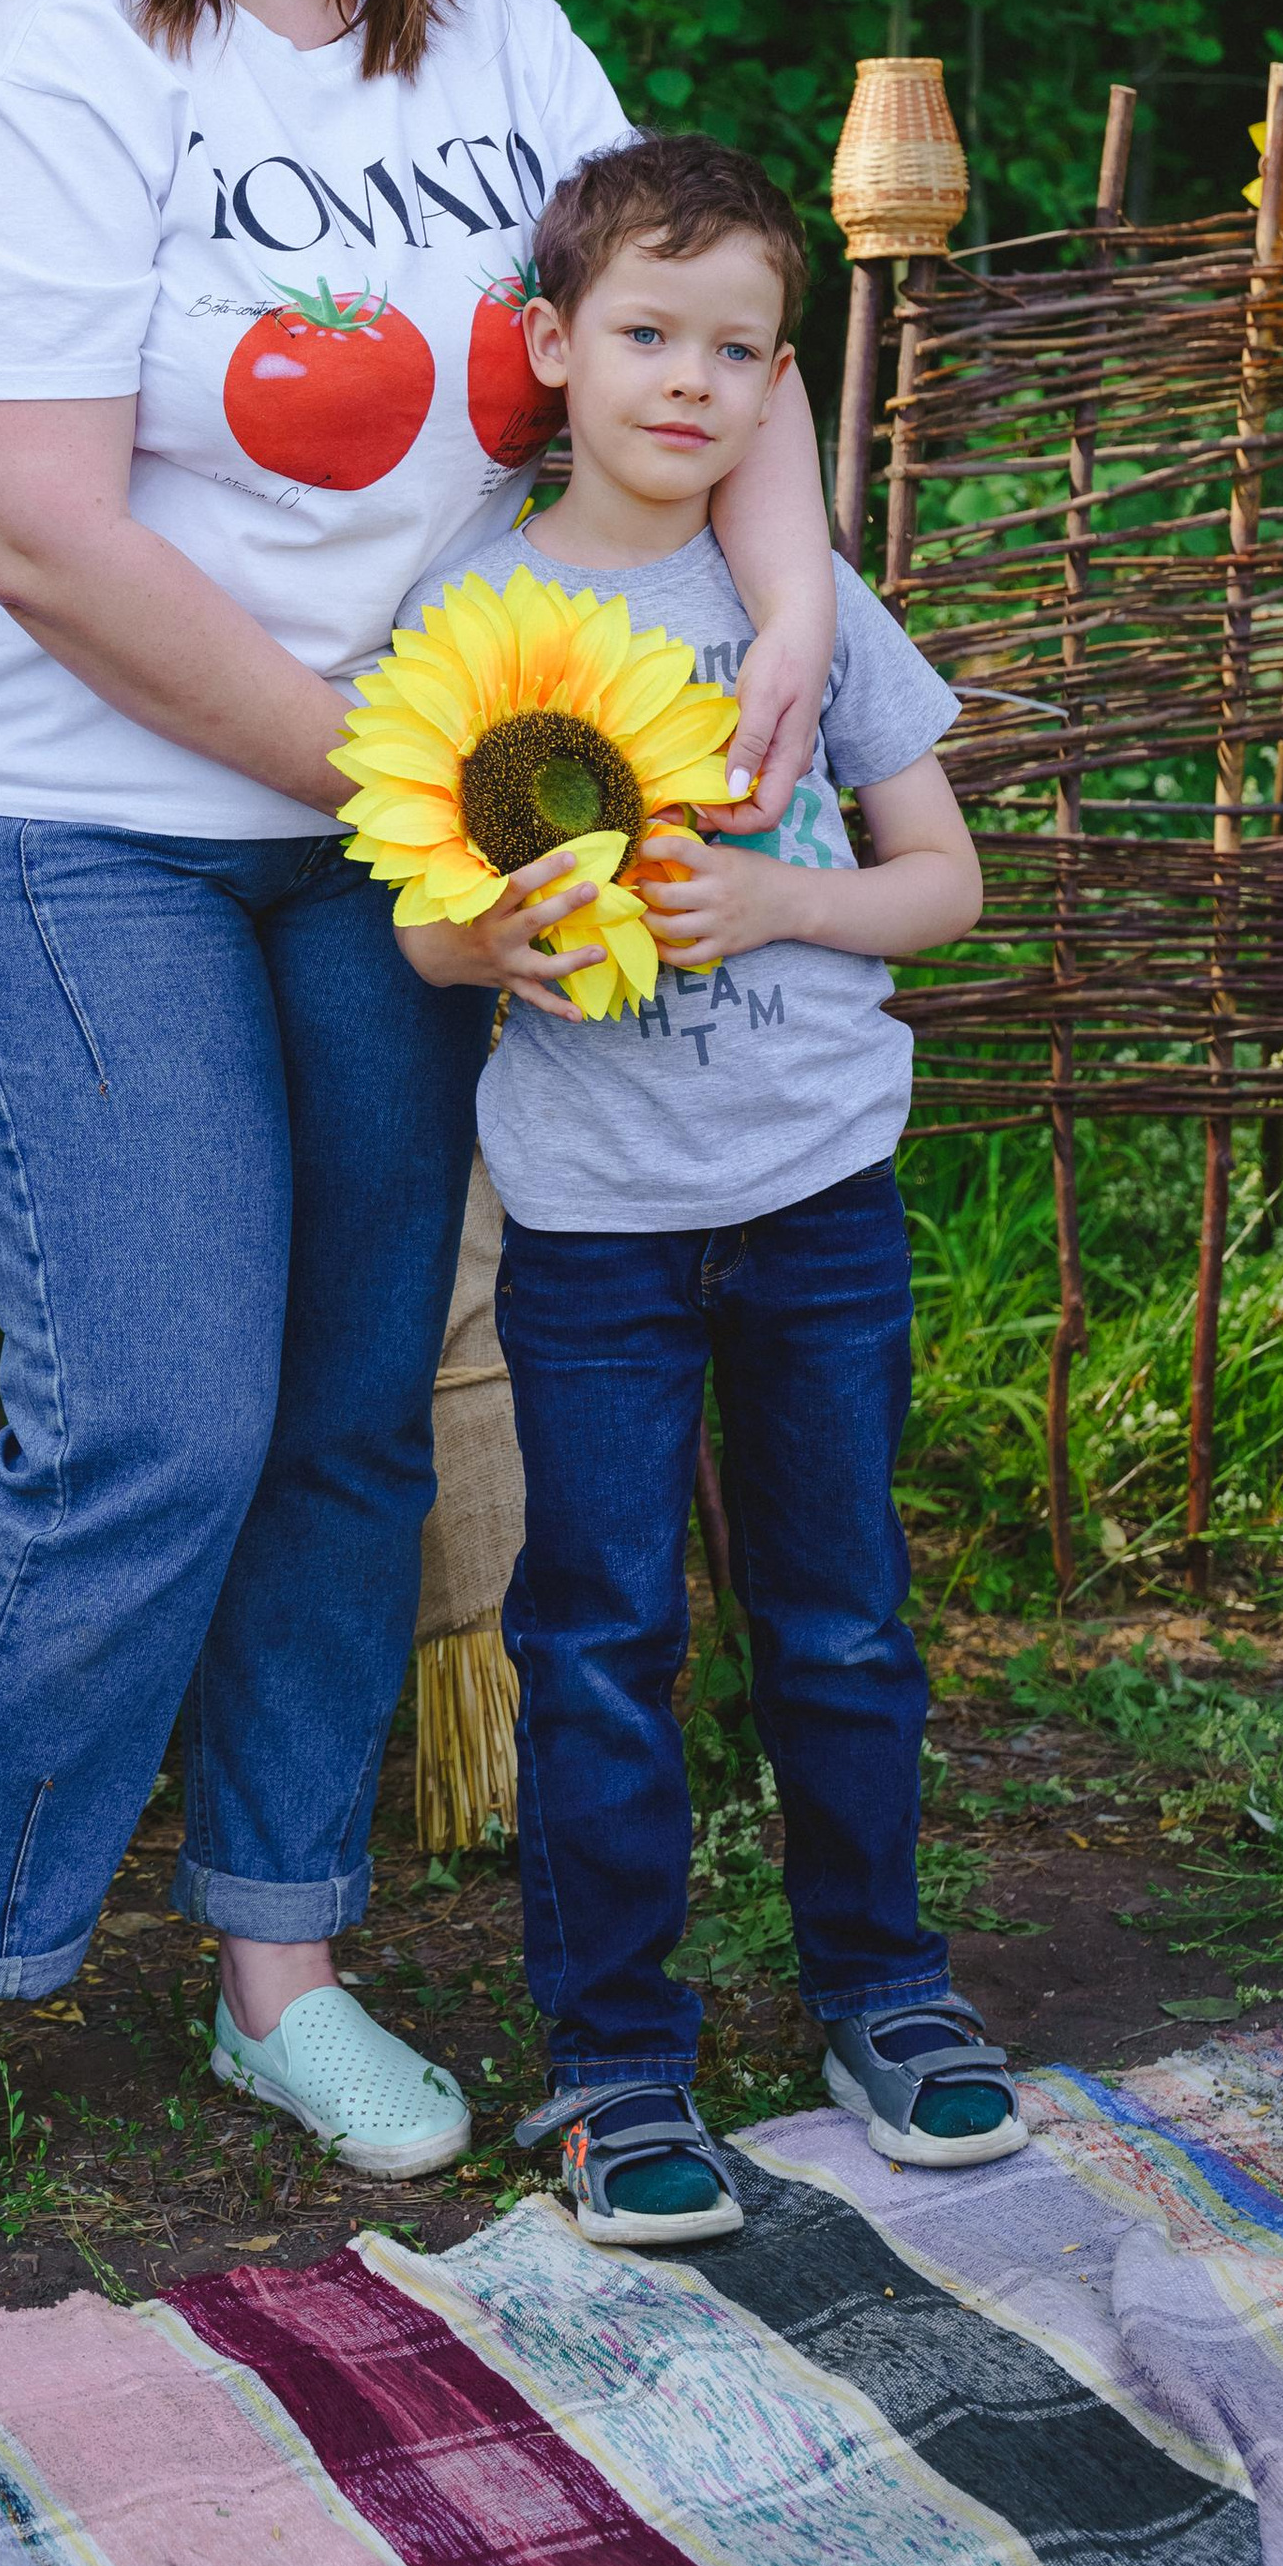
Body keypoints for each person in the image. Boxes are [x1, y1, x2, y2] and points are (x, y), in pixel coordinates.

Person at [0, 0, 840, 2250]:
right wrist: (422, 787)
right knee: (149, 1400)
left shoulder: (500, 40)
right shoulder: (55, 73)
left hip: (389, 843)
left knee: (360, 1398)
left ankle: (280, 1967)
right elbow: (33, 530)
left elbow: (708, 317)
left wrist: (791, 595)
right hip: (79, 821)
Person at [387, 131, 1016, 2251]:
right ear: (550, 348)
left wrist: (771, 900)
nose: (691, 380)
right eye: (646, 334)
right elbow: (411, 925)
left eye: (738, 348)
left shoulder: (801, 621)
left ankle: (883, 1993)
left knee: (837, 1618)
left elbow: (940, 883)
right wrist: (492, 946)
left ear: (779, 388)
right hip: (592, 1231)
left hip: (819, 1200)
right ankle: (615, 2062)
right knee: (598, 1634)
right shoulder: (476, 616)